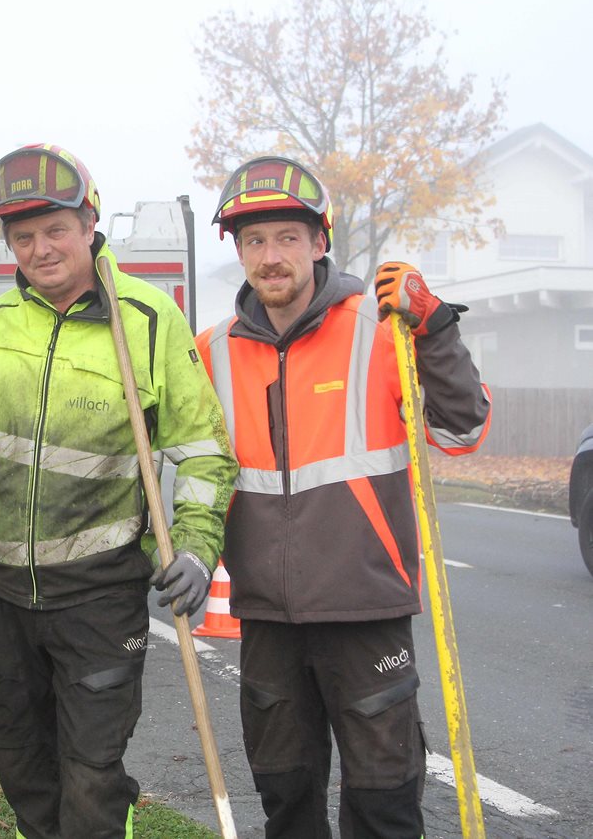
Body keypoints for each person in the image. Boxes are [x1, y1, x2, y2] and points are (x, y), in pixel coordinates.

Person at [196, 155, 493, 838]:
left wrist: (436, 330)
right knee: (285, 800)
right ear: (238, 251)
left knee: (384, 803)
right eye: (254, 240)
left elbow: (463, 429)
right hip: (266, 618)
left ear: (319, 242)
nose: (271, 256)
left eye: (287, 237)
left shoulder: (380, 329)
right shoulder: (210, 351)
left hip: (367, 610)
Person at [0, 144, 239, 839]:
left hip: (99, 595)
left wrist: (197, 549)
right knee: (24, 771)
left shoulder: (146, 320)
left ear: (90, 224)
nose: (40, 249)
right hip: (5, 597)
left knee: (91, 780)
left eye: (56, 229)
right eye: (22, 236)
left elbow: (205, 452)